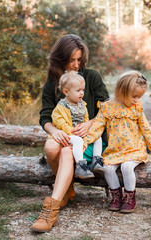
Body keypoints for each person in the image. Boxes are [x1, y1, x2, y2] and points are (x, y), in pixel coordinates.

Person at [30, 34, 109, 233]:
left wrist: (90, 124)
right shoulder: (52, 84)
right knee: (50, 145)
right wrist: (54, 131)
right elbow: (45, 117)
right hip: (66, 134)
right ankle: (66, 190)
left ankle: (50, 210)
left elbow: (107, 109)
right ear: (60, 58)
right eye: (71, 60)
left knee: (65, 151)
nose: (75, 65)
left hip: (91, 139)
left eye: (79, 59)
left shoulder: (91, 77)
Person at [83, 70, 151, 213]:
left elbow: (147, 130)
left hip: (134, 149)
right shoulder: (107, 107)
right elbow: (96, 128)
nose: (137, 100)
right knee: (107, 168)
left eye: (139, 97)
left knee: (126, 167)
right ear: (122, 91)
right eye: (134, 96)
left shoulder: (136, 108)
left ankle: (130, 197)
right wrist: (85, 142)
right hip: (115, 151)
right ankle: (116, 196)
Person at [51, 70, 104, 179]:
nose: (82, 93)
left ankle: (96, 161)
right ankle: (81, 166)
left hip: (80, 132)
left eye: (83, 90)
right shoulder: (60, 108)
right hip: (68, 134)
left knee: (97, 137)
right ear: (66, 92)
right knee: (78, 140)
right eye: (78, 90)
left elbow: (86, 119)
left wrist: (86, 130)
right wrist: (75, 133)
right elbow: (61, 125)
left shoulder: (81, 104)